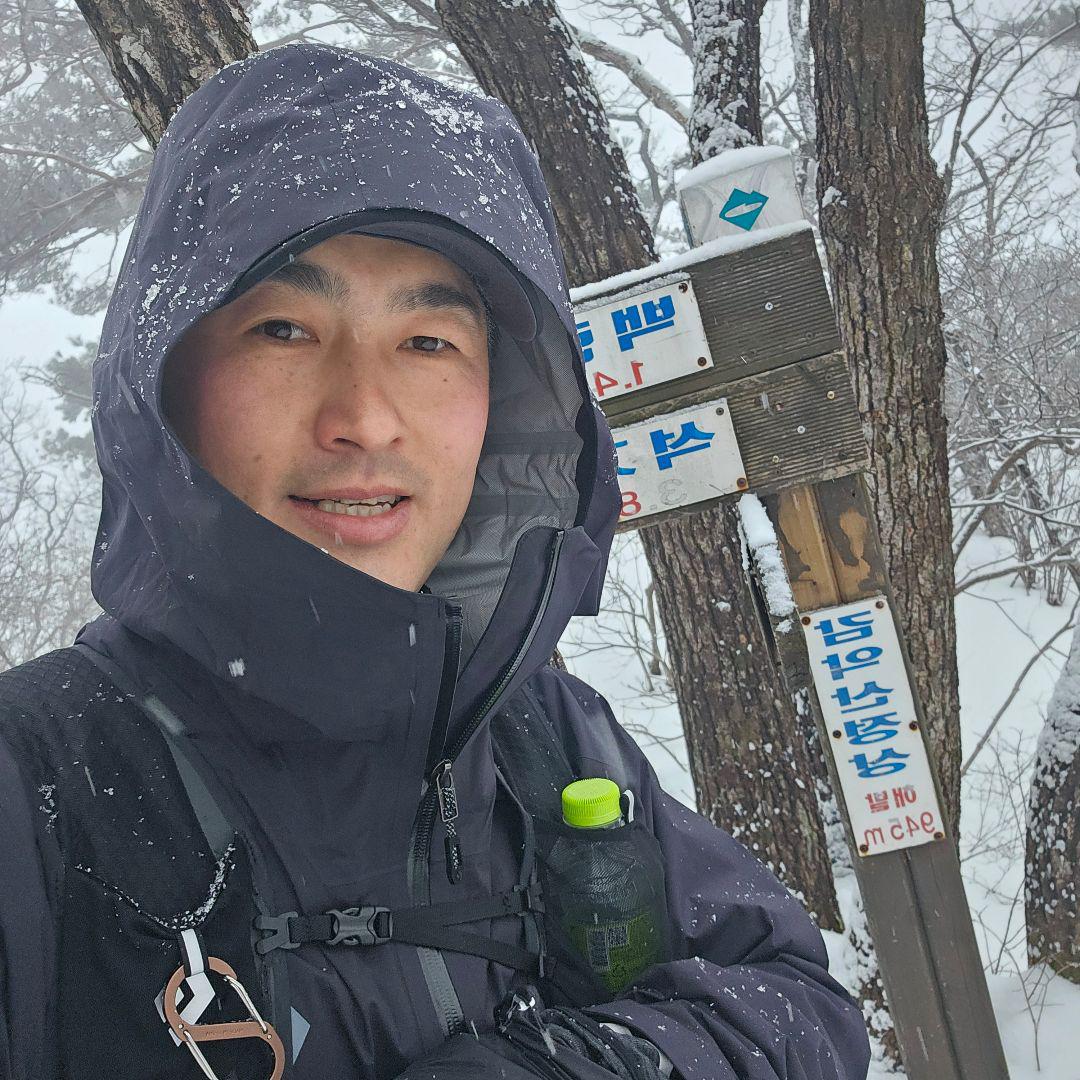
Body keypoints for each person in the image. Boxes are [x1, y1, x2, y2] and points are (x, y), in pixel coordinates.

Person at [0, 41, 871, 1080]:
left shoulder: (544, 734)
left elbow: (793, 1000)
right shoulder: (34, 792)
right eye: (284, 329)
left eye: (428, 343)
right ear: (163, 378)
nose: (366, 418)